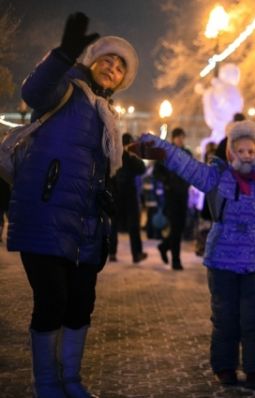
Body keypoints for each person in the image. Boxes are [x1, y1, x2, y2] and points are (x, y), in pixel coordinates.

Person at [6, 12, 138, 397]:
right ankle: (46, 383)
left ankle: (72, 381)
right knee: (52, 301)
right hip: (45, 213)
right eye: (107, 59)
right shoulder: (66, 87)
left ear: (122, 80)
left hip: (86, 226)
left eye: (119, 67)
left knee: (81, 304)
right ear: (91, 60)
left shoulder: (107, 115)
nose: (112, 67)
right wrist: (62, 54)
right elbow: (33, 92)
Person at [133, 120, 255, 389]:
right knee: (225, 316)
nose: (246, 155)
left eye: (251, 151)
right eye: (240, 150)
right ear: (231, 152)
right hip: (222, 258)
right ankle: (225, 367)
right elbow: (187, 166)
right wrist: (160, 146)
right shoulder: (218, 178)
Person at [154, 127, 191, 270]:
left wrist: (189, 183)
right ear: (173, 138)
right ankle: (176, 260)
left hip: (183, 194)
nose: (181, 140)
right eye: (178, 137)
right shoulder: (166, 154)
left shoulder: (187, 153)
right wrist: (167, 182)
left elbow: (192, 171)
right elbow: (157, 172)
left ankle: (164, 246)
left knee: (180, 227)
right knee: (176, 227)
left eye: (183, 137)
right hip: (171, 195)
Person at [108, 133, 147, 263]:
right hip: (123, 194)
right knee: (124, 225)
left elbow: (142, 169)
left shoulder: (124, 156)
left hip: (123, 194)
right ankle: (126, 253)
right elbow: (142, 169)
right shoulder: (122, 156)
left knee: (125, 225)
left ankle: (130, 253)